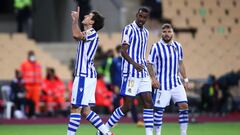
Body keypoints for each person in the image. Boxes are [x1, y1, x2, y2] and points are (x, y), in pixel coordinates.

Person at [98, 7, 154, 135]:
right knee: (126, 106)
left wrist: (143, 66)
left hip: (143, 72)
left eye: (144, 17)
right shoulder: (129, 29)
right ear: (136, 15)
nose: (142, 19)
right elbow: (123, 51)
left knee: (148, 102)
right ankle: (104, 130)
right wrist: (134, 64)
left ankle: (149, 133)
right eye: (140, 16)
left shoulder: (145, 32)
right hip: (130, 73)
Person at [66, 6, 114, 135]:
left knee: (75, 108)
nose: (85, 16)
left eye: (88, 16)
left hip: (84, 75)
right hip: (87, 75)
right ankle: (107, 133)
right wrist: (75, 22)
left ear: (92, 22)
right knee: (86, 111)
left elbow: (76, 35)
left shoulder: (91, 32)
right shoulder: (89, 34)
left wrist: (75, 20)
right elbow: (77, 35)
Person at [147, 23, 190, 135]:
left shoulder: (178, 46)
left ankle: (183, 133)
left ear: (173, 33)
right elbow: (149, 64)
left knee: (184, 106)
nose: (167, 34)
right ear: (161, 33)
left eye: (169, 31)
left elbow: (180, 63)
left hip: (176, 83)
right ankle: (157, 133)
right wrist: (153, 79)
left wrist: (185, 79)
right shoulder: (156, 47)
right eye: (164, 32)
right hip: (162, 84)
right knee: (159, 111)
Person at [110, 45, 144, 127]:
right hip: (118, 85)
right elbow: (112, 73)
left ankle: (136, 121)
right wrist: (114, 85)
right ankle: (114, 121)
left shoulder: (129, 61)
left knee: (131, 102)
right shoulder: (114, 61)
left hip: (128, 84)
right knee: (116, 102)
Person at [20, 50, 42, 115]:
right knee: (27, 100)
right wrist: (23, 86)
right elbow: (21, 75)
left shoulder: (38, 65)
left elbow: (40, 76)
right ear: (28, 55)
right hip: (27, 86)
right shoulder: (24, 64)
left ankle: (35, 113)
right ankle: (27, 113)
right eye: (30, 54)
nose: (32, 56)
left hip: (36, 86)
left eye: (33, 54)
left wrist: (40, 86)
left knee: (36, 100)